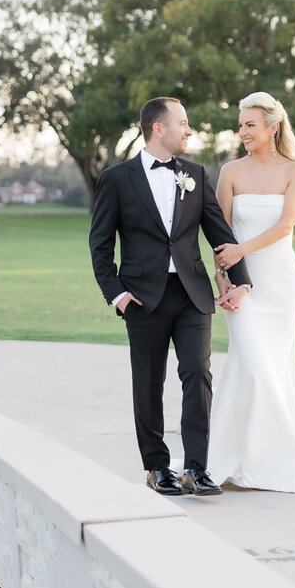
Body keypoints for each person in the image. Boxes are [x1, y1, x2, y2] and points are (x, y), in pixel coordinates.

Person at [89, 97, 252, 497]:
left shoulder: (195, 174)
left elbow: (218, 232)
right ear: (158, 128)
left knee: (197, 374)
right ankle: (157, 467)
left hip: (192, 293)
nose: (190, 130)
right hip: (142, 298)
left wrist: (240, 279)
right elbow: (100, 244)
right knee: (148, 382)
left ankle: (196, 467)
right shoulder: (117, 178)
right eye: (183, 123)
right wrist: (118, 295)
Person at [207, 91, 295, 492]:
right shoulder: (230, 171)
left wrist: (242, 248)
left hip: (279, 279)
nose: (242, 132)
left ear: (272, 127)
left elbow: (285, 225)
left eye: (250, 125)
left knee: (267, 368)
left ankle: (270, 463)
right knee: (252, 366)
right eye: (240, 125)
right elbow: (218, 232)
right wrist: (225, 280)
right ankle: (229, 459)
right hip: (239, 282)